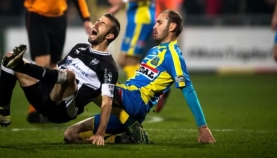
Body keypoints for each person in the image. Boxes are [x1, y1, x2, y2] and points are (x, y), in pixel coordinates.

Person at [63, 10, 216, 144]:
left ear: (172, 27)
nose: (154, 26)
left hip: (136, 100)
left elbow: (188, 89)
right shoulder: (154, 51)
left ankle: (128, 123)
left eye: (159, 22)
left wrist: (203, 127)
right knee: (70, 134)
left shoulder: (173, 55)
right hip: (123, 102)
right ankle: (125, 136)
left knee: (92, 81)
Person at [0, 14, 121, 146]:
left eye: (102, 24)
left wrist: (100, 133)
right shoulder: (79, 48)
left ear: (109, 36)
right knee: (9, 57)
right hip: (45, 93)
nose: (96, 24)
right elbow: (57, 71)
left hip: (63, 108)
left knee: (69, 76)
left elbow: (107, 103)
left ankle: (23, 66)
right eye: (97, 21)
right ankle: (4, 111)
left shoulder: (108, 67)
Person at [19, 0, 93, 122]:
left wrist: (86, 18)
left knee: (54, 66)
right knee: (42, 63)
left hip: (59, 18)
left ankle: (50, 108)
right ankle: (35, 110)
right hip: (37, 17)